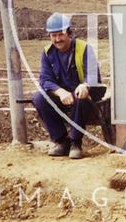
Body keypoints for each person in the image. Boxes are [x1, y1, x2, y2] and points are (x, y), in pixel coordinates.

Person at [32, 13, 105, 159]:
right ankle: (61, 141)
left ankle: (75, 143)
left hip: (83, 95)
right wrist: (59, 91)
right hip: (63, 95)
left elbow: (93, 74)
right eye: (54, 35)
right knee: (39, 98)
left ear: (69, 33)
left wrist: (85, 85)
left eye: (61, 34)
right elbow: (45, 79)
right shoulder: (47, 52)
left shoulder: (84, 48)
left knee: (80, 96)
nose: (58, 39)